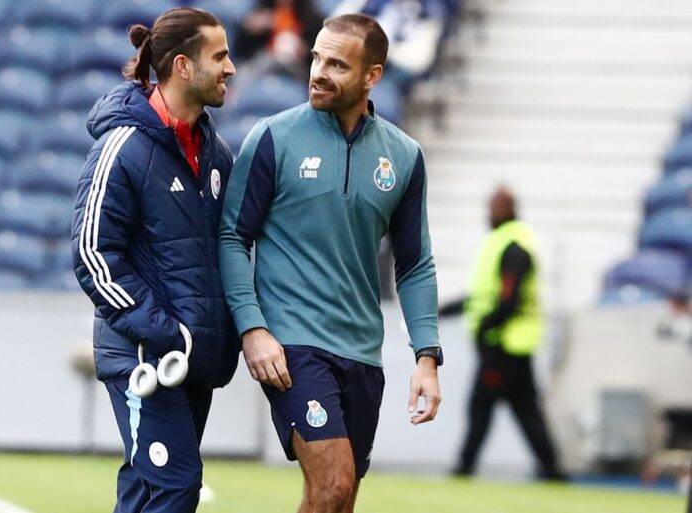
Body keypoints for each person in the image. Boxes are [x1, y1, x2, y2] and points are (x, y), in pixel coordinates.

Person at [219, 14, 442, 513]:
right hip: (293, 344)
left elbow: (415, 264)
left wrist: (426, 357)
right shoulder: (273, 137)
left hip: (363, 353)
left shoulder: (404, 157)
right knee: (334, 483)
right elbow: (232, 237)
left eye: (337, 64)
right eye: (317, 57)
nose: (318, 71)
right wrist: (252, 328)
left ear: (372, 76)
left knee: (338, 502)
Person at [71, 8, 238, 513]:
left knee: (147, 490)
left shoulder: (216, 153)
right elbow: (92, 253)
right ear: (183, 66)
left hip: (191, 362)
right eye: (219, 56)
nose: (230, 68)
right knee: (175, 487)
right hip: (145, 356)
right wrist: (167, 332)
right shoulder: (121, 147)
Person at [439, 186, 566, 480]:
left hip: (502, 346)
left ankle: (465, 466)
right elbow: (484, 296)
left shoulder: (513, 247)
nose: (489, 213)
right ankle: (551, 468)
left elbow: (508, 299)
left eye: (494, 207)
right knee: (526, 411)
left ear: (508, 209)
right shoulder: (503, 243)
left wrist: (486, 329)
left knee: (481, 406)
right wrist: (448, 309)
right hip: (511, 346)